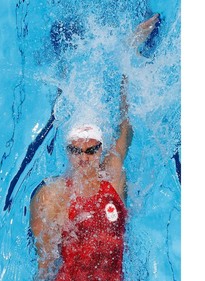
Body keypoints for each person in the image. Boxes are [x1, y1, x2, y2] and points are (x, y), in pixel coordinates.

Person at [30, 13, 160, 281]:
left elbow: (125, 128)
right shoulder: (52, 197)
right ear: (67, 151)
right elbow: (44, 268)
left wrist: (129, 59)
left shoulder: (112, 176)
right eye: (76, 150)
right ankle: (62, 61)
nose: (84, 158)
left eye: (91, 150)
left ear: (100, 150)